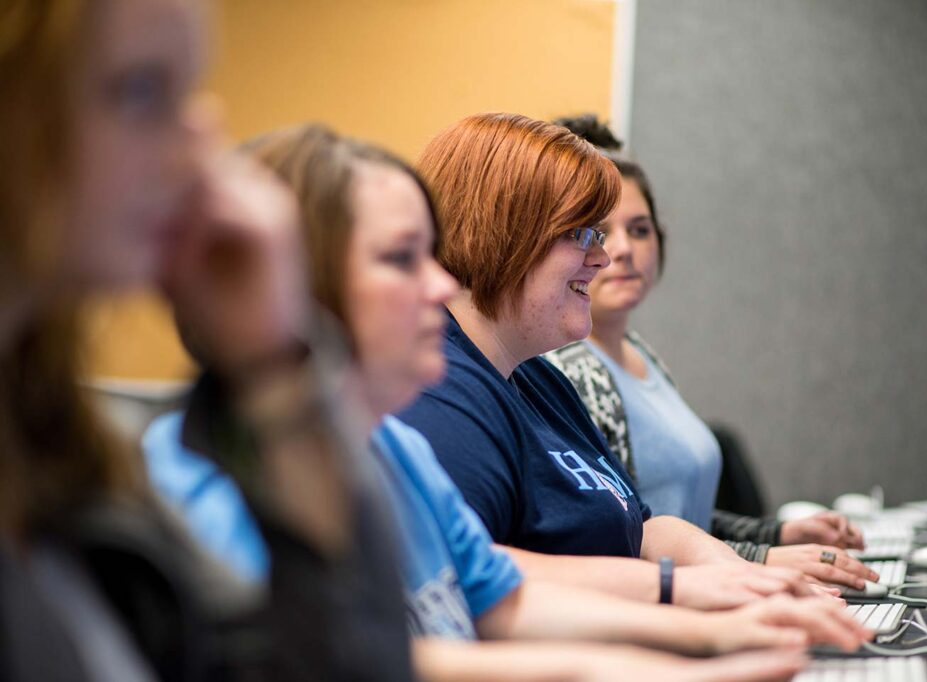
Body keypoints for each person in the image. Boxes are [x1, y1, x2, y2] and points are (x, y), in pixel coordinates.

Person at [145, 122, 869, 681]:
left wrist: (713, 627)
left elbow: (499, 600)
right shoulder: (204, 475)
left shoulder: (390, 448)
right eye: (402, 260)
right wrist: (659, 647)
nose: (439, 283)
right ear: (300, 282)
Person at [0, 1, 412, 679]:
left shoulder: (52, 444)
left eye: (189, 95)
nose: (198, 156)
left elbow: (340, 663)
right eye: (140, 91)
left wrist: (270, 364)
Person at [396, 112, 871, 601]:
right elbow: (477, 572)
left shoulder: (539, 379)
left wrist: (741, 573)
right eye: (580, 233)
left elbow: (640, 528)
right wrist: (679, 592)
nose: (601, 258)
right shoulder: (439, 392)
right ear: (503, 233)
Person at [545, 114, 870, 586]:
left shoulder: (641, 355)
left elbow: (681, 513)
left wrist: (777, 533)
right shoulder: (569, 369)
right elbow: (624, 534)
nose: (623, 250)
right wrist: (759, 557)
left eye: (639, 229)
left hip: (708, 589)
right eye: (598, 231)